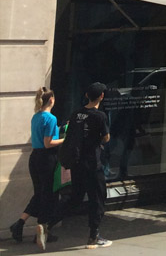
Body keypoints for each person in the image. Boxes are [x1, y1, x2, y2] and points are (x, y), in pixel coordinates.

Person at [9, 88, 65, 249]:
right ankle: (41, 230)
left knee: (40, 193)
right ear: (52, 100)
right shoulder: (51, 118)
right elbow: (49, 143)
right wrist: (64, 139)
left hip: (35, 158)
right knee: (48, 194)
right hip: (47, 159)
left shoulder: (36, 117)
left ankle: (20, 224)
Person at [64, 82, 112, 248]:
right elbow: (106, 137)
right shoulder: (99, 116)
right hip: (93, 162)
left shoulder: (76, 113)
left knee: (76, 197)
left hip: (77, 163)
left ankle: (48, 221)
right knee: (97, 198)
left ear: (86, 95)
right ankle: (94, 235)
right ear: (101, 96)